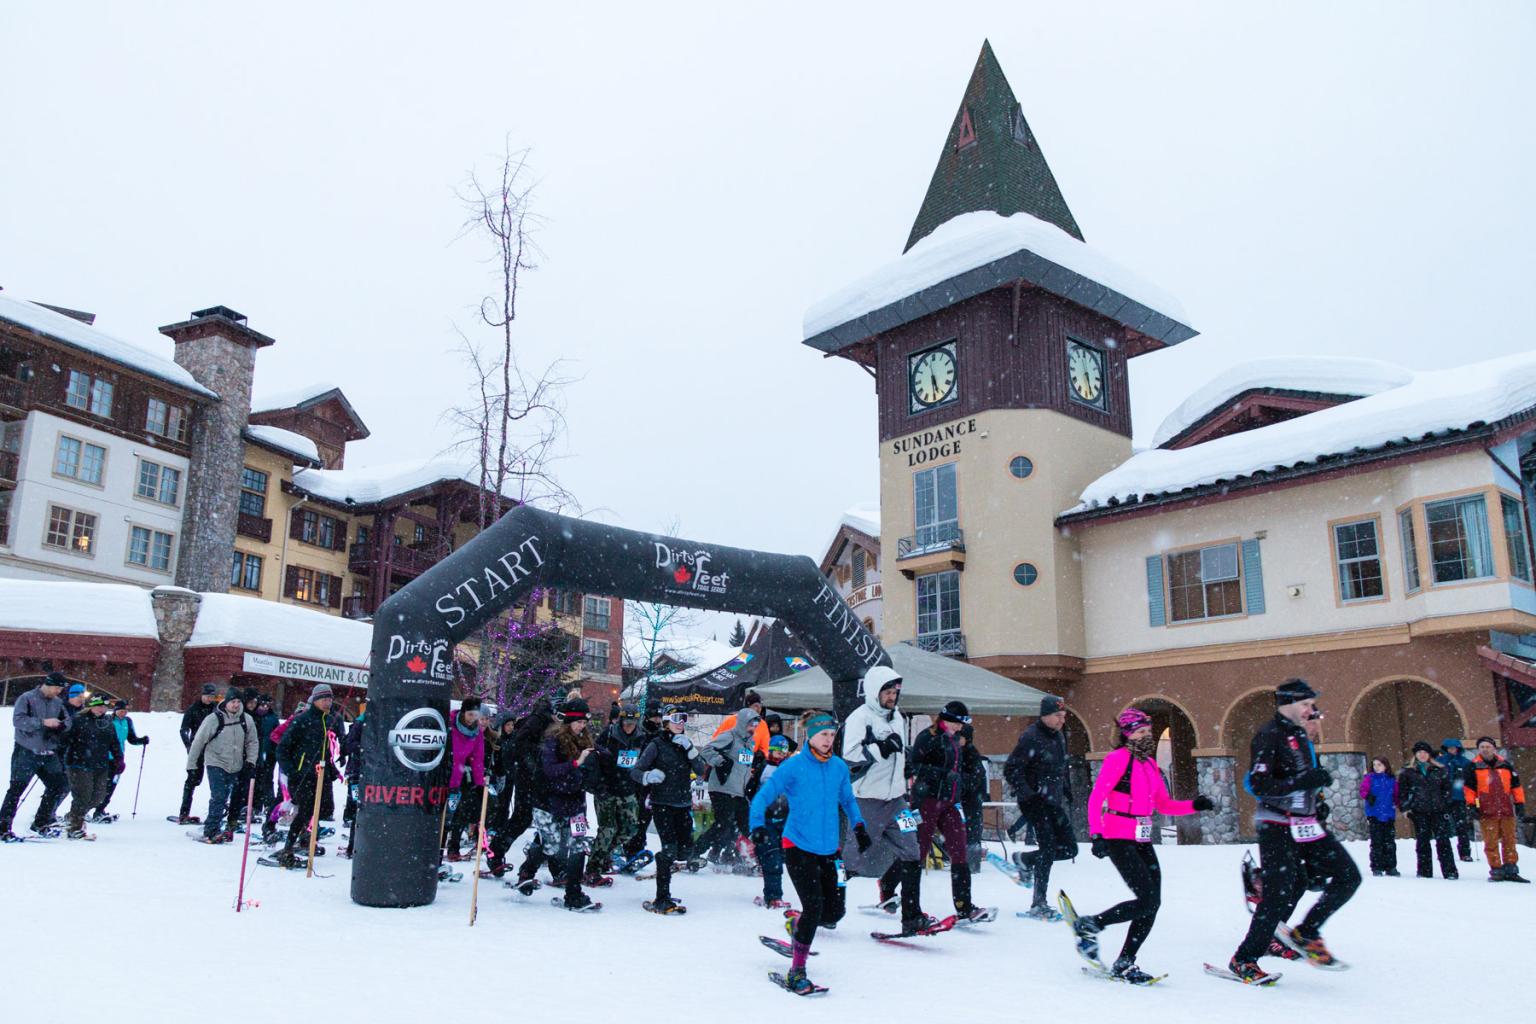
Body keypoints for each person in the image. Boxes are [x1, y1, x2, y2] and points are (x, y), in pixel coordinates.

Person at [1228, 679, 1361, 982]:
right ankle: (1244, 958)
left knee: (1348, 876)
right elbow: (1260, 785)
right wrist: (1304, 782)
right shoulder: (1268, 736)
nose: (1310, 710)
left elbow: (1303, 780)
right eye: (1305, 704)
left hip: (1306, 823)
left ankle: (1306, 931)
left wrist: (1316, 796)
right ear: (1287, 704)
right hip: (1276, 824)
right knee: (1277, 894)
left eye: (1311, 705)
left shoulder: (1300, 735)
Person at [1071, 708, 1213, 983]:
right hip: (1117, 836)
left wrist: (1194, 805)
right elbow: (1096, 797)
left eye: (1148, 731)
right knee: (1146, 899)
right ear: (1127, 735)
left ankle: (1125, 959)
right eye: (1139, 732)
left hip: (1142, 837)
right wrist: (1097, 834)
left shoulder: (1148, 764)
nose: (1145, 736)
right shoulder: (1117, 759)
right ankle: (1092, 924)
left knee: (1153, 903)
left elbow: (1163, 804)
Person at [750, 710, 869, 995]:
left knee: (834, 913)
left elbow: (848, 799)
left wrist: (860, 826)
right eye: (823, 735)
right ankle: (797, 972)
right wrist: (757, 825)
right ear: (810, 735)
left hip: (831, 849)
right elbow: (763, 796)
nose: (829, 740)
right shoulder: (793, 767)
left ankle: (796, 923)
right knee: (814, 906)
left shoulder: (839, 767)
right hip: (798, 846)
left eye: (832, 735)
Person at [840, 665, 934, 935]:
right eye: (887, 692)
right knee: (851, 860)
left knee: (913, 851)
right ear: (874, 692)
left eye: (895, 692)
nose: (892, 697)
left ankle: (912, 915)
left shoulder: (898, 718)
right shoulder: (860, 718)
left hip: (897, 802)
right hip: (867, 801)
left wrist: (907, 767)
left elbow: (899, 752)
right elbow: (851, 757)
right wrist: (879, 747)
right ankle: (824, 906)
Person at [910, 700, 990, 923]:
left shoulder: (956, 741)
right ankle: (894, 892)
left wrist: (965, 787)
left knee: (959, 850)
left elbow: (962, 768)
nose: (960, 729)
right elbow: (914, 765)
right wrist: (941, 774)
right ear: (946, 720)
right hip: (925, 801)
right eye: (958, 724)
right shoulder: (928, 737)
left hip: (949, 803)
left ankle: (964, 907)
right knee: (918, 851)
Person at [520, 697, 600, 911]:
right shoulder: (553, 740)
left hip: (575, 803)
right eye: (579, 722)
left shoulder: (586, 741)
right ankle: (526, 873)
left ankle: (573, 893)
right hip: (548, 802)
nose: (582, 726)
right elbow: (550, 771)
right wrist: (576, 763)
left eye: (585, 723)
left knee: (578, 845)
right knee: (551, 845)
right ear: (569, 722)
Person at [631, 704, 710, 914]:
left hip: (683, 803)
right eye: (676, 718)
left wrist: (691, 750)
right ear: (666, 722)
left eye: (683, 718)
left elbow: (701, 770)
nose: (680, 723)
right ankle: (662, 898)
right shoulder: (656, 744)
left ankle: (664, 865)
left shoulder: (686, 744)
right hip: (662, 804)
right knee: (669, 849)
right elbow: (636, 771)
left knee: (685, 850)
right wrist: (648, 776)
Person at [1004, 695, 1077, 920]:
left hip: (1053, 801)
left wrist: (1065, 787)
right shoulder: (1031, 736)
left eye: (1063, 716)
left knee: (1070, 849)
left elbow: (1059, 766)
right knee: (1047, 848)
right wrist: (1029, 794)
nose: (1061, 720)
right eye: (1057, 716)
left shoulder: (1058, 737)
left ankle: (1026, 860)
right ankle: (1038, 902)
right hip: (1035, 802)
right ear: (1044, 715)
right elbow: (1011, 769)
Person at [487, 695, 556, 877]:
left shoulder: (544, 722)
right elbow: (521, 744)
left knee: (542, 820)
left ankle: (498, 852)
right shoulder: (538, 721)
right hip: (529, 777)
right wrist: (534, 764)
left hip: (536, 777)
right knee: (525, 818)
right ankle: (496, 851)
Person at [272, 684, 340, 868]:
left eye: (330, 699)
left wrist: (331, 769)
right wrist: (292, 770)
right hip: (301, 774)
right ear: (315, 700)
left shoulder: (328, 721)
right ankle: (288, 845)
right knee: (305, 810)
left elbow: (324, 751)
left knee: (319, 810)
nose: (328, 703)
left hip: (319, 774)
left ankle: (305, 840)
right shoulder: (302, 720)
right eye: (325, 699)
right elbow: (283, 748)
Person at [0, 672, 73, 841]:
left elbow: (67, 721)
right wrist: (42, 723)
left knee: (59, 785)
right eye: (56, 688)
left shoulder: (57, 703)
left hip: (48, 752)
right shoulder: (27, 698)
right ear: (47, 684)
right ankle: (3, 827)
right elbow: (18, 720)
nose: (58, 692)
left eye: (60, 689)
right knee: (17, 789)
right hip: (26, 750)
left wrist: (60, 727)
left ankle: (41, 823)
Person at [186, 690, 259, 844]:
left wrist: (251, 761)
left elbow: (252, 742)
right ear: (226, 702)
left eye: (238, 702)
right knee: (218, 796)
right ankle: (211, 830)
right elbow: (198, 741)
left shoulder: (247, 719)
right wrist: (192, 764)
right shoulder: (213, 719)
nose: (235, 705)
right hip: (215, 761)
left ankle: (224, 825)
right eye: (233, 701)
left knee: (229, 796)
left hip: (236, 764)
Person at [589, 700, 645, 881]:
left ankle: (606, 853)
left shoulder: (640, 737)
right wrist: (599, 784)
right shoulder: (608, 734)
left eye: (633, 723)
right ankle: (593, 868)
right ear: (621, 721)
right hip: (607, 788)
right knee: (608, 828)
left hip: (627, 789)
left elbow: (641, 761)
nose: (630, 727)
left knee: (631, 828)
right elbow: (593, 757)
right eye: (627, 723)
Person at [699, 705, 763, 865]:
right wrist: (720, 761)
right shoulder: (730, 736)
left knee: (744, 824)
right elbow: (706, 750)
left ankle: (732, 855)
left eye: (755, 725)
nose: (753, 728)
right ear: (742, 723)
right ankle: (695, 850)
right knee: (724, 823)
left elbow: (745, 767)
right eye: (750, 724)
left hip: (738, 791)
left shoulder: (750, 743)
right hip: (721, 787)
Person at [1464, 736, 1527, 882]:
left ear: (1493, 748)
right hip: (1486, 810)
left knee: (1509, 839)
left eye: (1488, 746)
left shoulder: (1505, 765)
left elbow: (1516, 786)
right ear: (1478, 750)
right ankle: (1496, 869)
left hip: (1506, 809)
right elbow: (1469, 789)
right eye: (1482, 747)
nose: (1485, 749)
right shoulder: (1473, 766)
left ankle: (1511, 868)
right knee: (1491, 841)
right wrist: (1472, 805)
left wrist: (1519, 803)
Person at [62, 695, 123, 841]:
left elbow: (114, 743)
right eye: (99, 706)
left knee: (98, 797)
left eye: (105, 706)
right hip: (79, 763)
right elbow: (66, 739)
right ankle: (74, 827)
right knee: (83, 795)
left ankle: (73, 816)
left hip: (101, 765)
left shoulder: (107, 722)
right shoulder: (78, 720)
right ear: (91, 706)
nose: (102, 709)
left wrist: (119, 759)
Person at [1396, 741, 1456, 880]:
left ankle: (1450, 871)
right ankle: (1424, 871)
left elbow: (1447, 789)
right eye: (1419, 753)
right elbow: (1402, 792)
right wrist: (1406, 808)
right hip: (1419, 811)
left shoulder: (1440, 770)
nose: (1422, 755)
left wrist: (1446, 804)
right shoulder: (1408, 772)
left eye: (1424, 752)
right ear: (1415, 755)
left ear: (1429, 755)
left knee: (1443, 841)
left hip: (1438, 810)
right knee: (1422, 842)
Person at [620, 703, 665, 867]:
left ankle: (636, 847)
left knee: (644, 817)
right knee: (633, 817)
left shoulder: (660, 734)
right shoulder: (640, 734)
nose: (658, 720)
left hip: (651, 782)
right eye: (655, 716)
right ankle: (630, 847)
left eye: (660, 717)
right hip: (635, 779)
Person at [442, 699, 486, 862]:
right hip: (444, 772)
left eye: (475, 715)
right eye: (469, 714)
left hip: (459, 776)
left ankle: (454, 848)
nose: (472, 718)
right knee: (443, 815)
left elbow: (477, 758)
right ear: (463, 712)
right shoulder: (450, 724)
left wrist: (479, 783)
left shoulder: (477, 731)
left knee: (459, 812)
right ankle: (438, 851)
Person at [92, 700, 149, 822]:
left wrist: (142, 741)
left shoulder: (127, 721)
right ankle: (90, 810)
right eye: (121, 711)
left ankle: (100, 809)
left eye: (125, 711)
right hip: (104, 757)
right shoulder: (108, 720)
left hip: (118, 757)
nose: (123, 713)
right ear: (115, 710)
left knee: (112, 785)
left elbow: (131, 739)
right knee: (101, 785)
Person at [756, 734, 793, 909]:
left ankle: (773, 892)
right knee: (773, 857)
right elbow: (749, 791)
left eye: (783, 751)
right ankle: (773, 896)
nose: (779, 754)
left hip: (785, 820)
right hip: (766, 820)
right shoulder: (763, 767)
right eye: (776, 751)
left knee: (784, 857)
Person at [174, 683, 221, 824]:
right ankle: (184, 812)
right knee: (193, 780)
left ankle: (217, 813)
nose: (209, 699)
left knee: (217, 780)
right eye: (207, 696)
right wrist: (188, 745)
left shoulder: (216, 710)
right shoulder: (193, 709)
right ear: (202, 695)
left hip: (213, 748)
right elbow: (184, 729)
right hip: (197, 747)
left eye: (212, 697)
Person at [1359, 756, 1399, 877]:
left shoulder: (1391, 780)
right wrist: (1368, 796)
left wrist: (1400, 805)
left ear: (1385, 766)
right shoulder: (1370, 778)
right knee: (1377, 842)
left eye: (1379, 765)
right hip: (1374, 814)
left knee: (1389, 842)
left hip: (1388, 814)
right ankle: (1377, 867)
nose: (1376, 767)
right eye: (1375, 765)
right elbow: (1363, 790)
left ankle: (1391, 866)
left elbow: (1396, 795)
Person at [1438, 738, 1475, 862]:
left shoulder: (1465, 763)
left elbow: (1471, 782)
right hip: (1444, 798)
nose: (1452, 750)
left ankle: (1465, 852)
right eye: (1449, 748)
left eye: (1454, 748)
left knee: (1462, 826)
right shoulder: (1440, 762)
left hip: (1460, 798)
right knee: (1442, 827)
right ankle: (1444, 852)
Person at [958, 723, 988, 872]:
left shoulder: (971, 755)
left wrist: (958, 780)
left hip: (971, 802)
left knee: (972, 833)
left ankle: (971, 864)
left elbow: (974, 779)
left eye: (960, 736)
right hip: (962, 801)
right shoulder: (958, 752)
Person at [250, 695, 280, 814]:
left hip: (269, 752)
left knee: (267, 779)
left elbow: (277, 734)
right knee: (255, 779)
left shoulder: (272, 718)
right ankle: (254, 805)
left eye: (267, 705)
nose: (265, 707)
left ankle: (268, 803)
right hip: (255, 752)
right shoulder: (253, 716)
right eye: (263, 705)